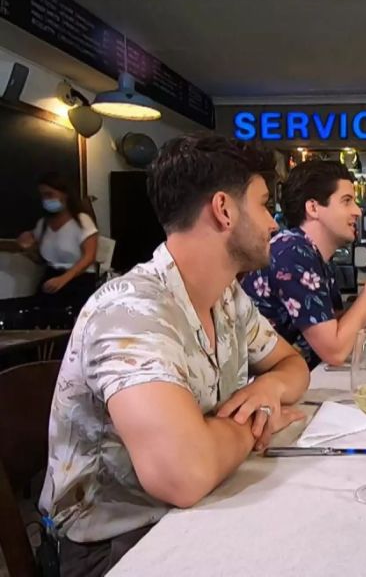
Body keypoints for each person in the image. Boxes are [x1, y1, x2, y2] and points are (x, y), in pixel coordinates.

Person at [39, 135, 311, 576]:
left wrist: (269, 386)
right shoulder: (130, 310)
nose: (274, 224)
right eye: (263, 205)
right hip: (114, 545)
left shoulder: (227, 298)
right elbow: (183, 475)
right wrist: (257, 424)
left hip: (201, 506)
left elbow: (293, 366)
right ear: (224, 209)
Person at [242, 160, 366, 369]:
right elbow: (336, 350)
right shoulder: (291, 253)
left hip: (295, 383)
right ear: (313, 207)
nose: (358, 211)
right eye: (347, 201)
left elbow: (341, 329)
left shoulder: (312, 254)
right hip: (264, 390)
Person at [15, 171, 99, 315]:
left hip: (78, 281)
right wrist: (27, 249)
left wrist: (63, 279)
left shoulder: (82, 220)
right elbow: (42, 260)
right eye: (42, 196)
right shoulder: (42, 224)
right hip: (51, 278)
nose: (45, 199)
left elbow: (89, 257)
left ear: (64, 194)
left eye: (49, 194)